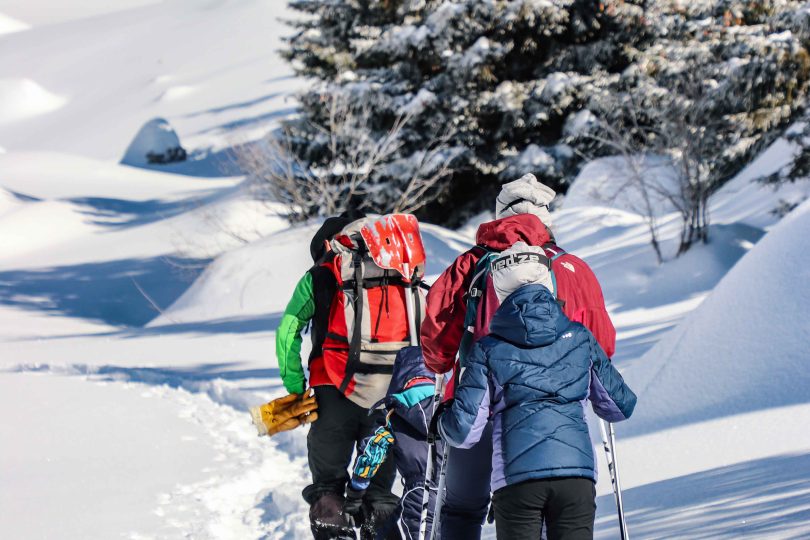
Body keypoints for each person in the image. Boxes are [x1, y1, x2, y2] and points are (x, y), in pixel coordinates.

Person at [420, 173, 617, 538]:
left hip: (474, 408)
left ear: (499, 215)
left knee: (463, 509)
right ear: (546, 218)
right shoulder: (574, 269)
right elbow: (603, 347)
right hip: (553, 414)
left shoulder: (467, 266)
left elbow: (436, 348)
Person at [437, 244, 636, 539]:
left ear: (499, 292)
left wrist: (442, 418)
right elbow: (620, 406)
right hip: (576, 478)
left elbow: (464, 433)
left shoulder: (487, 349)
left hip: (517, 481)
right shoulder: (580, 338)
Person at [275, 214, 400, 540]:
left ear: (329, 244)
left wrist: (295, 389)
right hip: (383, 394)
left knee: (328, 489)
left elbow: (287, 331)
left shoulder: (318, 275)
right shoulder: (391, 271)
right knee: (378, 492)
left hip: (332, 394)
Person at [344, 346, 444, 539]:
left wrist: (356, 489)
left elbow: (371, 453)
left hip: (419, 495)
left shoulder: (392, 415)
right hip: (457, 491)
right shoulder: (453, 408)